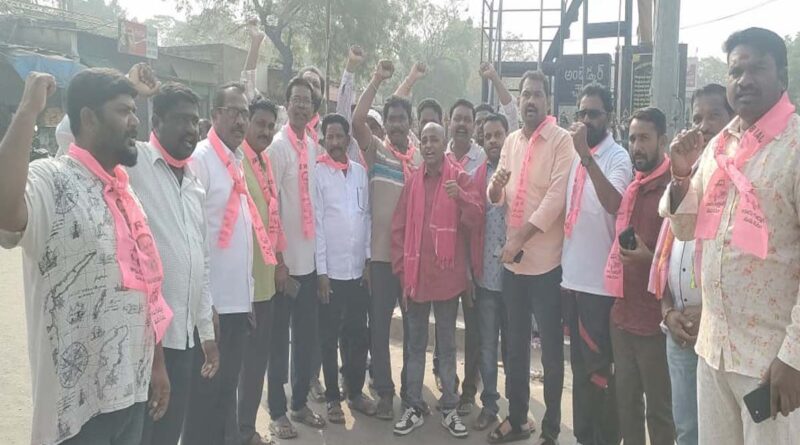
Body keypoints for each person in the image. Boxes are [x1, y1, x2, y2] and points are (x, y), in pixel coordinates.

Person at [0, 69, 171, 444]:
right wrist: (27, 111)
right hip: (75, 415)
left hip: (131, 393)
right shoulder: (53, 179)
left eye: (135, 111)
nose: (135, 121)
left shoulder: (125, 193)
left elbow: (145, 286)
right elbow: (5, 210)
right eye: (124, 111)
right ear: (89, 119)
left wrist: (157, 362)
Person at [664, 27, 800, 444]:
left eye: (757, 68)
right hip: (714, 349)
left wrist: (794, 356)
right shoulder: (719, 147)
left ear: (782, 77)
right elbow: (687, 228)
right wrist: (681, 175)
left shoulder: (795, 146)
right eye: (736, 71)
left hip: (769, 358)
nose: (744, 80)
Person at [486, 70, 575, 445]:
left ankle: (551, 428)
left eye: (538, 94)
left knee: (552, 354)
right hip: (514, 266)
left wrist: (520, 237)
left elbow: (556, 199)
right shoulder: (511, 141)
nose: (531, 100)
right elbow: (498, 198)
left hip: (547, 267)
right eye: (525, 94)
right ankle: (518, 417)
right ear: (519, 99)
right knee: (515, 348)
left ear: (548, 101)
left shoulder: (562, 141)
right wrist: (494, 188)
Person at [648, 83, 733, 445]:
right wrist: (668, 312)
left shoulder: (737, 180)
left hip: (719, 332)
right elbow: (667, 258)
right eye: (697, 117)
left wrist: (708, 313)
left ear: (734, 120)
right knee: (686, 429)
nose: (704, 125)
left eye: (714, 115)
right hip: (679, 329)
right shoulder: (687, 176)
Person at [391, 122, 482, 438]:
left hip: (448, 280)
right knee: (415, 345)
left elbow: (476, 218)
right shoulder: (413, 182)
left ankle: (449, 409)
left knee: (447, 346)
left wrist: (462, 198)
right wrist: (402, 271)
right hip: (416, 279)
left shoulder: (459, 178)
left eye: (434, 140)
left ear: (444, 144)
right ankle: (413, 406)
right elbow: (399, 229)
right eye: (425, 140)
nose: (429, 145)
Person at [184, 82, 261, 445]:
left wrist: (247, 297)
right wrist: (206, 305)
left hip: (236, 304)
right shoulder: (201, 159)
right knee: (204, 398)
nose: (241, 121)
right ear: (215, 115)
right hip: (213, 309)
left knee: (225, 393)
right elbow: (194, 236)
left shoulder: (235, 159)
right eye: (234, 112)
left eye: (245, 113)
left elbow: (239, 235)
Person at [561, 83, 633, 445]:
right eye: (582, 113)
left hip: (599, 288)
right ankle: (584, 437)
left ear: (610, 117)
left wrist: (587, 159)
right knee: (580, 370)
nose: (586, 120)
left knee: (600, 373)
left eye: (594, 113)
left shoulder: (617, 157)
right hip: (572, 280)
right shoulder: (577, 155)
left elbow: (614, 204)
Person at [352, 60, 424, 420]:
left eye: (401, 119)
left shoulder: (419, 156)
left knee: (413, 330)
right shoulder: (376, 151)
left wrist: (410, 80)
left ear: (410, 124)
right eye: (391, 118)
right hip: (381, 259)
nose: (396, 124)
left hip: (412, 260)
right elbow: (357, 121)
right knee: (379, 329)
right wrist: (377, 78)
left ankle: (412, 393)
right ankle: (384, 392)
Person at [604, 107, 674, 445]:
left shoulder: (675, 189)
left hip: (655, 322)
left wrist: (651, 260)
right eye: (632, 138)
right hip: (623, 315)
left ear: (663, 140)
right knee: (627, 405)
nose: (636, 146)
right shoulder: (634, 187)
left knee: (659, 412)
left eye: (644, 138)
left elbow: (686, 262)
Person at [267, 76, 327, 434]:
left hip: (309, 264)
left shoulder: (312, 146)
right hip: (284, 266)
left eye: (307, 100)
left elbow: (315, 204)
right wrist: (278, 261)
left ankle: (299, 403)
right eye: (297, 99)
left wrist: (319, 264)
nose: (302, 105)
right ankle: (277, 411)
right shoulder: (278, 148)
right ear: (287, 103)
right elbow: (271, 205)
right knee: (279, 343)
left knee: (306, 340)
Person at [314, 113, 377, 423]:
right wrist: (322, 273)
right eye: (330, 137)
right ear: (323, 140)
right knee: (329, 337)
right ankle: (332, 399)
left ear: (349, 140)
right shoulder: (318, 174)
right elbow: (318, 225)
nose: (335, 142)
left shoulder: (359, 173)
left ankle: (354, 392)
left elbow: (366, 218)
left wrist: (367, 261)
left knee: (357, 335)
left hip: (356, 272)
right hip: (332, 273)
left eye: (340, 137)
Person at [237, 95, 287, 445]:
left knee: (256, 364)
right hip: (242, 284)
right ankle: (233, 431)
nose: (266, 131)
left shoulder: (264, 161)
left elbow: (273, 217)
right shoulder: (235, 161)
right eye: (260, 124)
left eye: (271, 126)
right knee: (237, 365)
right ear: (246, 122)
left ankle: (245, 429)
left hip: (266, 281)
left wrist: (280, 261)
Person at [446, 98, 488, 418]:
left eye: (467, 119)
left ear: (474, 125)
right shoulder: (437, 154)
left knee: (474, 329)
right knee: (445, 327)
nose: (461, 124)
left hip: (474, 258)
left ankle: (470, 390)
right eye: (457, 118)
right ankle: (447, 382)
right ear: (449, 122)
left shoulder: (483, 159)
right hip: (445, 259)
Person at [473, 113, 510, 432]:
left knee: (514, 349)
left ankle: (518, 409)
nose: (494, 140)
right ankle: (489, 405)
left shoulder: (519, 172)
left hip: (516, 277)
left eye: (499, 134)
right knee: (487, 346)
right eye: (488, 136)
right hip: (485, 277)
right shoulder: (477, 177)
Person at [478, 62, 521, 133]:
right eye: (478, 122)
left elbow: (510, 110)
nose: (481, 126)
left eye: (486, 121)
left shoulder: (510, 138)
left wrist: (494, 77)